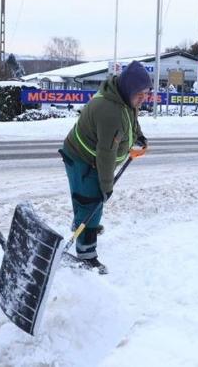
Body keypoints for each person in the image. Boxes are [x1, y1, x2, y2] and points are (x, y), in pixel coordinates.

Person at [59, 61, 150, 273]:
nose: (143, 98)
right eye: (140, 93)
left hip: (92, 156)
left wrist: (139, 137)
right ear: (129, 89)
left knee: (90, 200)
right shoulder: (111, 111)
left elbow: (132, 122)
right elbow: (106, 154)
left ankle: (83, 226)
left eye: (147, 93)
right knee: (91, 200)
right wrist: (107, 187)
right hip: (82, 157)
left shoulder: (124, 99)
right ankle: (86, 254)